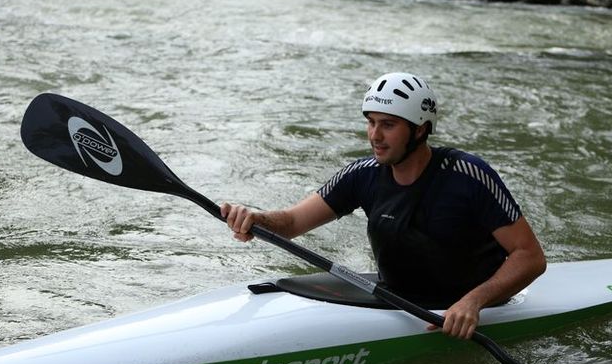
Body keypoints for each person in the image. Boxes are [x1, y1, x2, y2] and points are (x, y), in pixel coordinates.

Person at [221, 72, 546, 340]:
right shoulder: (362, 176)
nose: (375, 135)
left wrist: (474, 302)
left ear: (419, 130)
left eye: (388, 124)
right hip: (397, 300)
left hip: (474, 309)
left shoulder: (468, 176)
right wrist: (255, 218)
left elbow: (530, 257)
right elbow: (291, 223)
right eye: (371, 122)